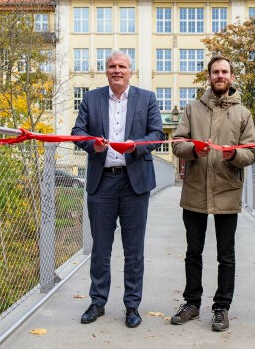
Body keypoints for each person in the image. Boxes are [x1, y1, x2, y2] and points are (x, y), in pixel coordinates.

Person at [71, 50, 163, 328]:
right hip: (102, 182)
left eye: (122, 66)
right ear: (106, 71)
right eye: (112, 66)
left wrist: (136, 145)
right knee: (101, 247)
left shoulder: (146, 98)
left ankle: (132, 306)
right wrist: (92, 145)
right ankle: (97, 301)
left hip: (134, 182)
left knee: (133, 249)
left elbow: (157, 134)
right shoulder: (91, 98)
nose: (117, 70)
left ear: (130, 71)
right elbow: (78, 132)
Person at [170, 56, 255, 332]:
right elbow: (177, 143)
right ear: (209, 76)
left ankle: (221, 307)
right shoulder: (192, 108)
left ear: (231, 77)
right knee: (193, 251)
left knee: (225, 255)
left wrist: (234, 155)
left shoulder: (243, 113)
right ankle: (192, 303)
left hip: (227, 191)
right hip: (195, 189)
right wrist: (194, 150)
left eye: (224, 72)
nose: (220, 76)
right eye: (215, 72)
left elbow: (251, 152)